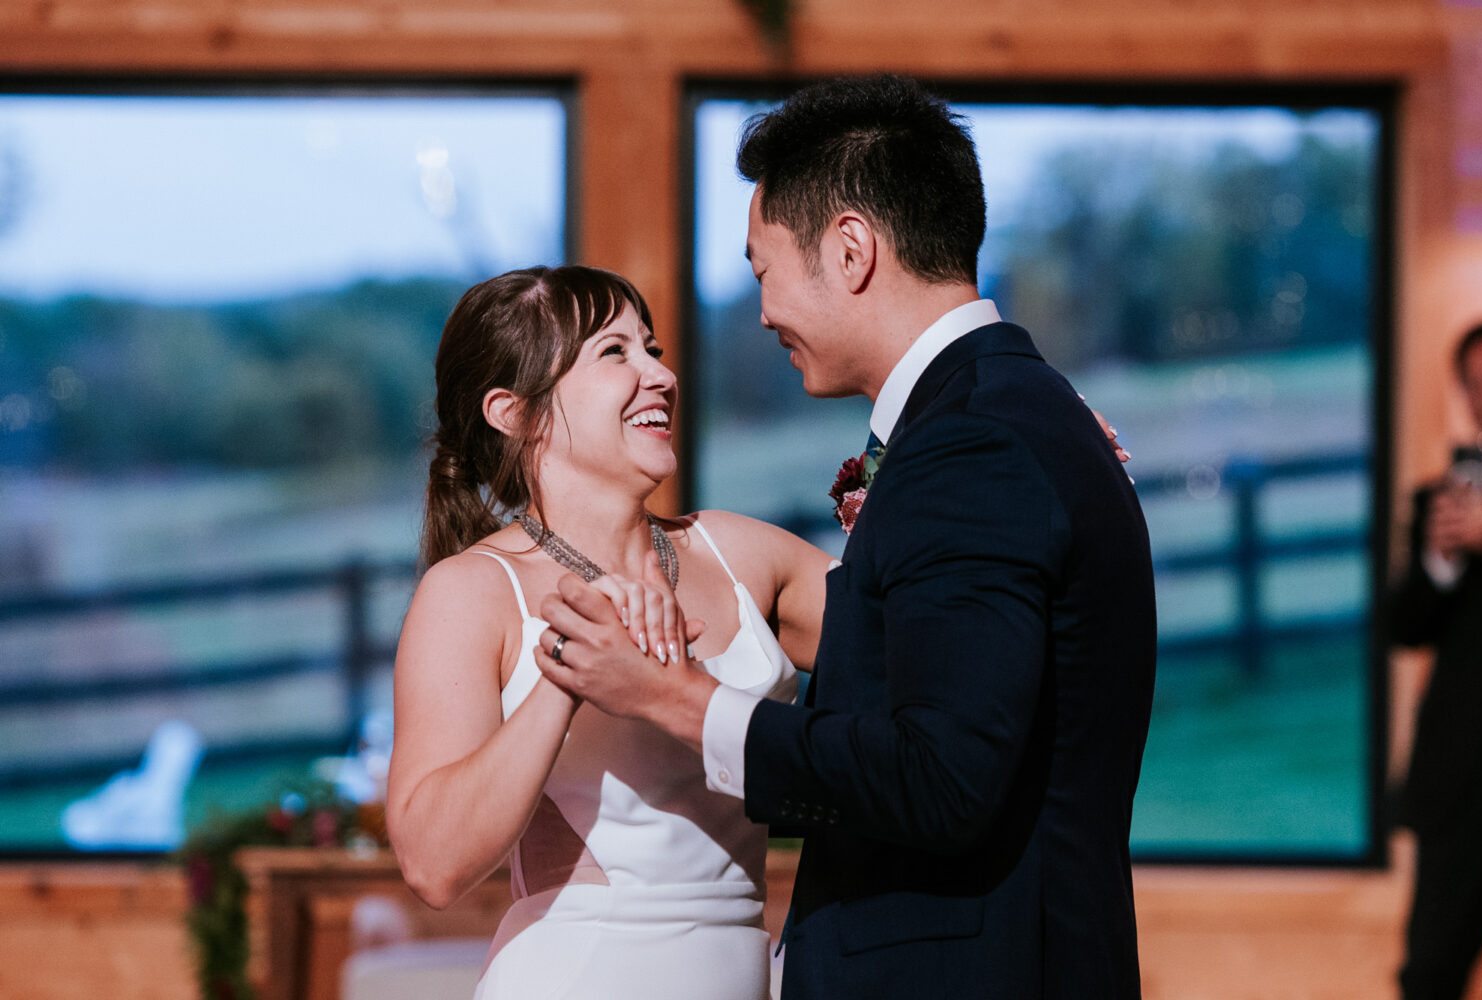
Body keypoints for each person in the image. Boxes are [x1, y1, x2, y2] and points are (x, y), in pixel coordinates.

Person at [536, 74, 1157, 999]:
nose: (763, 311)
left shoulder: (972, 444)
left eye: (763, 270)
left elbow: (940, 778)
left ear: (852, 248)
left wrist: (673, 697)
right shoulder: (1015, 414)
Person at [384, 264, 837, 1000]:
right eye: (615, 354)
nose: (659, 375)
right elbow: (434, 864)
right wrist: (570, 669)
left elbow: (922, 634)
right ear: (515, 412)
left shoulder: (741, 553)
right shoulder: (471, 592)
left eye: (652, 348)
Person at [1392, 319, 1482, 1000]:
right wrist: (1441, 558)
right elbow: (1404, 627)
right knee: (1434, 962)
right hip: (1464, 763)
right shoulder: (1441, 495)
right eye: (1479, 383)